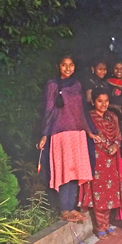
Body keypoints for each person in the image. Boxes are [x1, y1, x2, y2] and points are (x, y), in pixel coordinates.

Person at [38, 54, 99, 222]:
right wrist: (44, 134)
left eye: (71, 65)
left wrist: (89, 130)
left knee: (75, 171)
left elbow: (81, 111)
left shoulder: (77, 84)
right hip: (60, 134)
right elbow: (49, 110)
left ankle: (71, 207)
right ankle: (64, 209)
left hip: (77, 134)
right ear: (59, 66)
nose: (68, 68)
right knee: (64, 172)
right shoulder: (52, 84)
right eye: (64, 65)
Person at [79, 89, 122, 238]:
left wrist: (115, 146)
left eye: (106, 101)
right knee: (99, 193)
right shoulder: (89, 118)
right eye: (99, 101)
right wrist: (105, 146)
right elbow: (87, 137)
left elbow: (118, 137)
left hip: (111, 158)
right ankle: (101, 227)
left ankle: (107, 223)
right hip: (97, 158)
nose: (104, 104)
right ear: (93, 102)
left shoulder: (113, 117)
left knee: (110, 192)